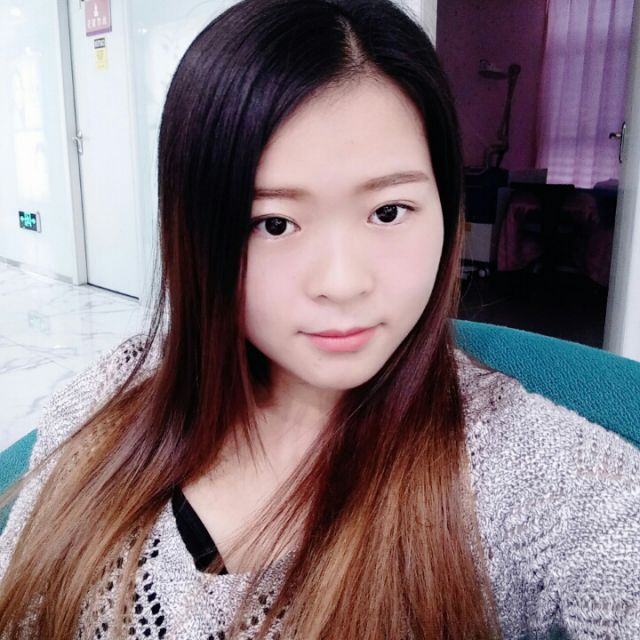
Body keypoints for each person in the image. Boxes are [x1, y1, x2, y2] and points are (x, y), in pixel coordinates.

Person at [0, 0, 639, 637]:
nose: (341, 283)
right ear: (194, 232)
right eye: (274, 223)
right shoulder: (104, 404)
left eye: (388, 212)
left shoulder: (533, 471)